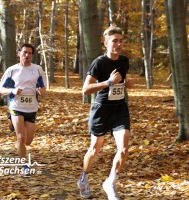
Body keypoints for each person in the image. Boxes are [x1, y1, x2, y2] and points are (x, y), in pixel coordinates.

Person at [77, 26, 133, 200]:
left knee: (123, 149)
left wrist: (125, 84)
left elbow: (120, 83)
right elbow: (86, 89)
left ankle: (110, 182)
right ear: (106, 43)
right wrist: (108, 82)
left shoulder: (124, 61)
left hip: (119, 109)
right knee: (95, 149)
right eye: (114, 41)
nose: (118, 44)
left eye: (120, 41)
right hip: (101, 110)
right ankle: (84, 178)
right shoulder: (99, 62)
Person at [0, 43, 46, 161]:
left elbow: (43, 88)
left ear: (32, 55)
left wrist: (41, 91)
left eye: (29, 53)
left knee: (28, 141)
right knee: (21, 138)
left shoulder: (38, 69)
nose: (27, 55)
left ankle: (14, 125)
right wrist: (12, 90)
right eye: (24, 52)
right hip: (16, 106)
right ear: (19, 54)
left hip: (32, 108)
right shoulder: (12, 70)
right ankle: (24, 164)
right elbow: (0, 89)